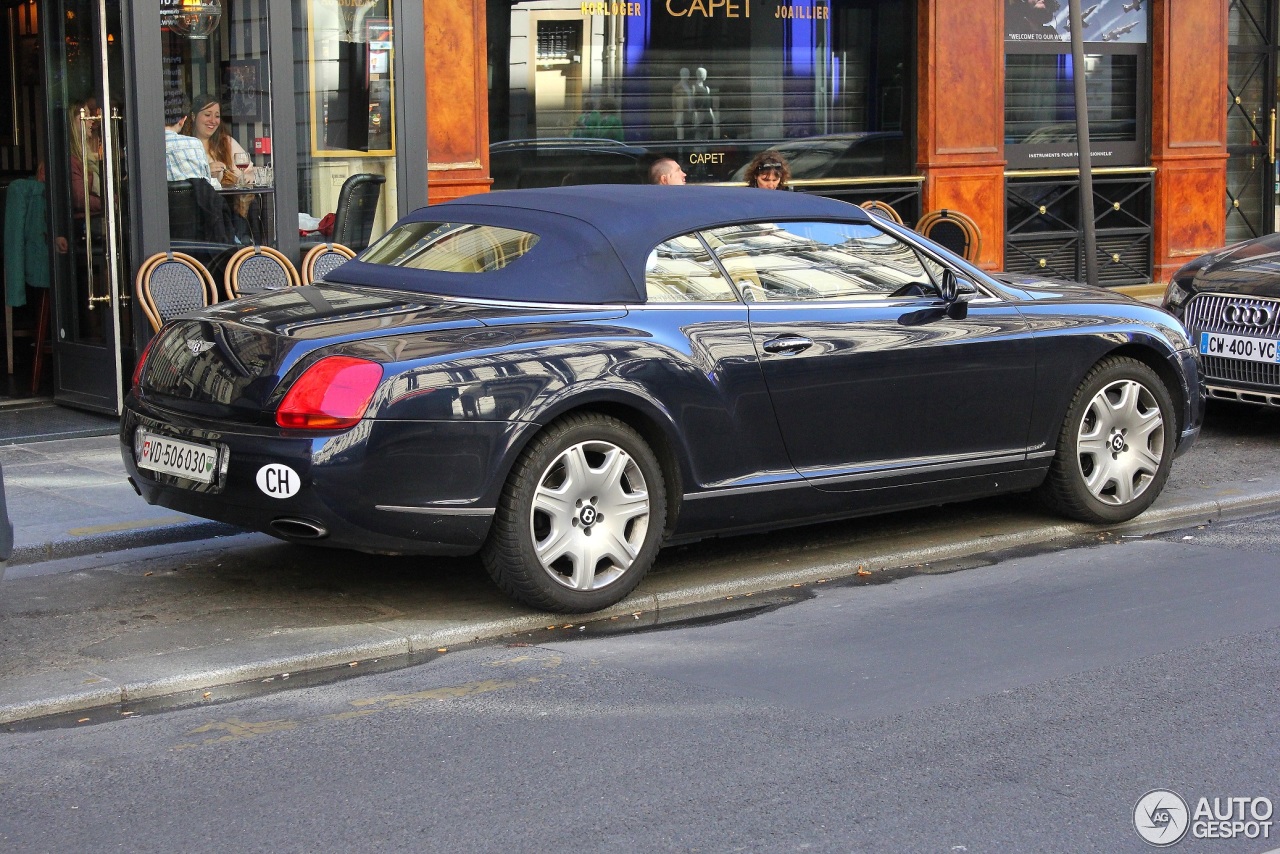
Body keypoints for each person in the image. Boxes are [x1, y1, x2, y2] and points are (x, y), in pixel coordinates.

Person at [184, 93, 254, 189]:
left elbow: (250, 170)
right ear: (193, 116)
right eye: (208, 115)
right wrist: (206, 171)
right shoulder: (183, 145)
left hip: (226, 201)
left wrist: (249, 176)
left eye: (217, 116)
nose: (213, 121)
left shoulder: (227, 142)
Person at [164, 94, 216, 187]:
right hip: (191, 201)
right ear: (183, 120)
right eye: (208, 114)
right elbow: (206, 187)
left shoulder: (139, 146)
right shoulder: (194, 144)